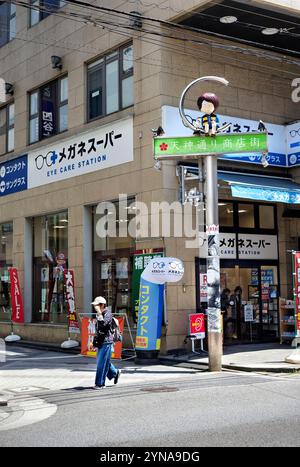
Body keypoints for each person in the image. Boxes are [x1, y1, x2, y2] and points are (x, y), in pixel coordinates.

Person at [91, 296, 121, 390]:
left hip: (106, 341)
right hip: (100, 341)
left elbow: (103, 326)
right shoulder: (99, 314)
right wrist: (95, 343)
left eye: (97, 305)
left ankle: (100, 384)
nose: (95, 307)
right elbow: (98, 330)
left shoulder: (108, 314)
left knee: (101, 363)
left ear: (102, 305)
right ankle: (115, 373)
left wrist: (99, 314)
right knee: (104, 361)